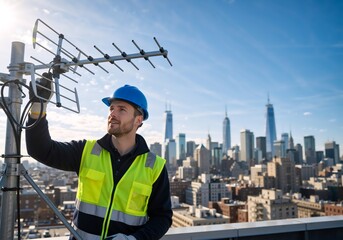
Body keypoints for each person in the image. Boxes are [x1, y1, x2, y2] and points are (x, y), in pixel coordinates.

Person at [26, 74, 172, 240]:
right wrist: (38, 106)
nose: (113, 114)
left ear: (138, 120)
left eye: (121, 109)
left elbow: (162, 217)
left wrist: (134, 239)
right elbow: (40, 150)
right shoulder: (86, 151)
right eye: (111, 109)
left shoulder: (155, 166)